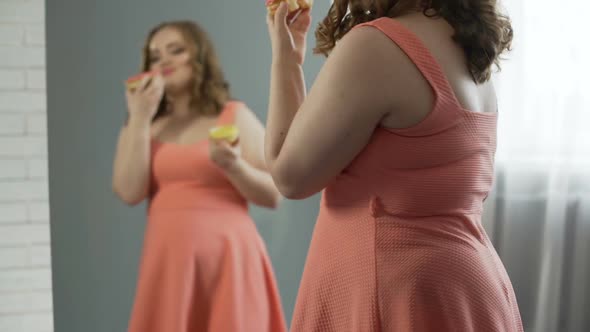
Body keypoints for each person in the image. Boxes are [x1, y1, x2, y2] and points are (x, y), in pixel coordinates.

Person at [266, 0, 523, 331]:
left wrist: (285, 60)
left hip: (397, 293)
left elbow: (290, 178)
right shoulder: (469, 47)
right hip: (466, 290)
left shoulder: (375, 45)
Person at [112, 20, 286, 332]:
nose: (163, 60)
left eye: (175, 50)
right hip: (168, 265)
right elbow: (129, 191)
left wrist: (233, 166)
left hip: (230, 262)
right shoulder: (143, 127)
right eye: (155, 56)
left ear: (200, 58)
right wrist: (139, 117)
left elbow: (274, 194)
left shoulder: (234, 115)